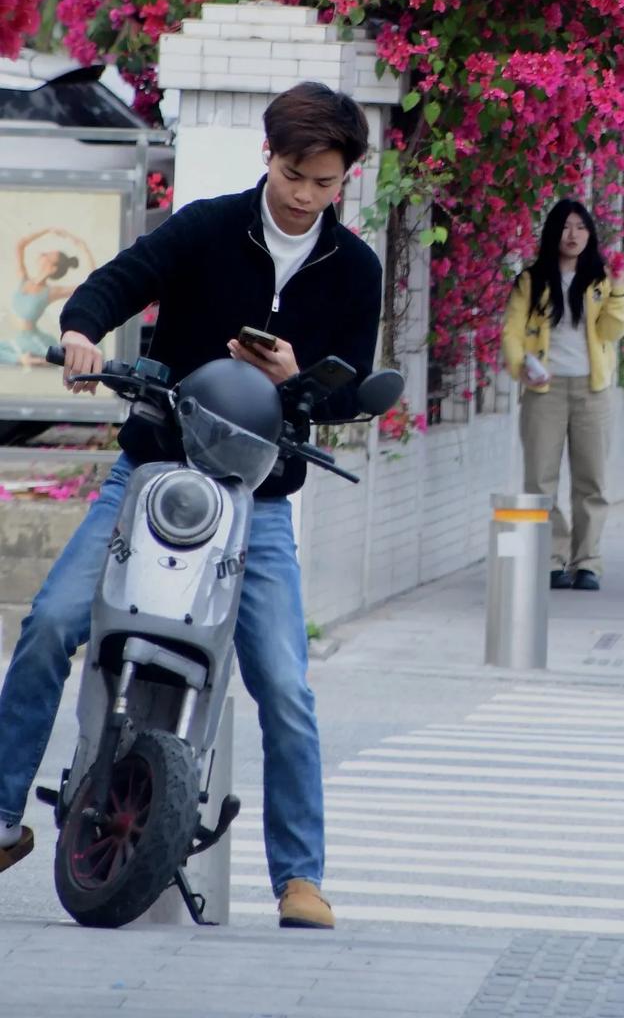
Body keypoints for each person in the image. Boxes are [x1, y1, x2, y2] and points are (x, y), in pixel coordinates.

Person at [0, 82, 383, 930]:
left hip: (260, 503)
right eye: (293, 174)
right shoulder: (207, 226)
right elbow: (113, 283)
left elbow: (352, 385)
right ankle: (1, 812)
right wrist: (81, 330)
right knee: (54, 621)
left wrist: (301, 381)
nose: (304, 194)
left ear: (344, 179)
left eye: (323, 183)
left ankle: (300, 877)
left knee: (285, 683)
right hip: (151, 476)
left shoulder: (354, 267)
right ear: (269, 156)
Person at [502, 199, 624, 591]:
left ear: (590, 234)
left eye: (580, 227)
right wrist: (520, 364)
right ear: (553, 232)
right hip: (546, 390)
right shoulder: (531, 280)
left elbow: (611, 331)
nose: (572, 235)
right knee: (540, 478)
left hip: (593, 391)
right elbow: (512, 330)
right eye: (565, 227)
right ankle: (552, 558)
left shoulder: (601, 280)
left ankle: (587, 560)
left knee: (592, 480)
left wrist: (619, 290)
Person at [0, 232, 89, 367]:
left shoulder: (51, 292)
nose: (42, 254)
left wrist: (84, 248)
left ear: (53, 268)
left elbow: (90, 285)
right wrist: (49, 230)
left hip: (34, 342)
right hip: (20, 339)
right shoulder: (24, 280)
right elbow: (19, 245)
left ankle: (27, 360)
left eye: (47, 255)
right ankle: (22, 359)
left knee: (56, 359)